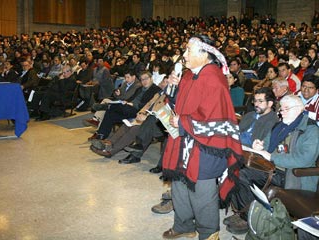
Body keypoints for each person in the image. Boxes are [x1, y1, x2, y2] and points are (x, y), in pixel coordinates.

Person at [161, 35, 243, 240]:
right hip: (184, 140)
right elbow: (179, 105)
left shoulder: (214, 79)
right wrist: (172, 88)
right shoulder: (189, 75)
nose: (184, 55)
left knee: (202, 193)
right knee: (180, 185)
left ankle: (208, 233)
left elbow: (214, 119)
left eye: (189, 51)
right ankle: (184, 225)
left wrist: (181, 122)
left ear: (205, 54)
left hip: (207, 146)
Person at [225, 95, 319, 235]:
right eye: (281, 108)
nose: (282, 111)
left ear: (300, 109)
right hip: (272, 167)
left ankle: (246, 216)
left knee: (244, 174)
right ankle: (246, 211)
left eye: (287, 109)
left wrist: (272, 156)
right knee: (237, 169)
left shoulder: (310, 130)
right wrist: (258, 145)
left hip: (293, 174)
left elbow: (304, 159)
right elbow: (267, 145)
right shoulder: (279, 125)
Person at [89, 71, 161, 141]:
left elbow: (150, 104)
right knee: (110, 113)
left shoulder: (156, 90)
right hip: (128, 109)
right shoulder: (139, 89)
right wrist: (127, 101)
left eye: (146, 78)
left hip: (138, 111)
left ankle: (106, 106)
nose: (144, 81)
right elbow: (131, 98)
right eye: (142, 79)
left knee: (114, 107)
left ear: (151, 78)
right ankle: (101, 134)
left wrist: (133, 104)